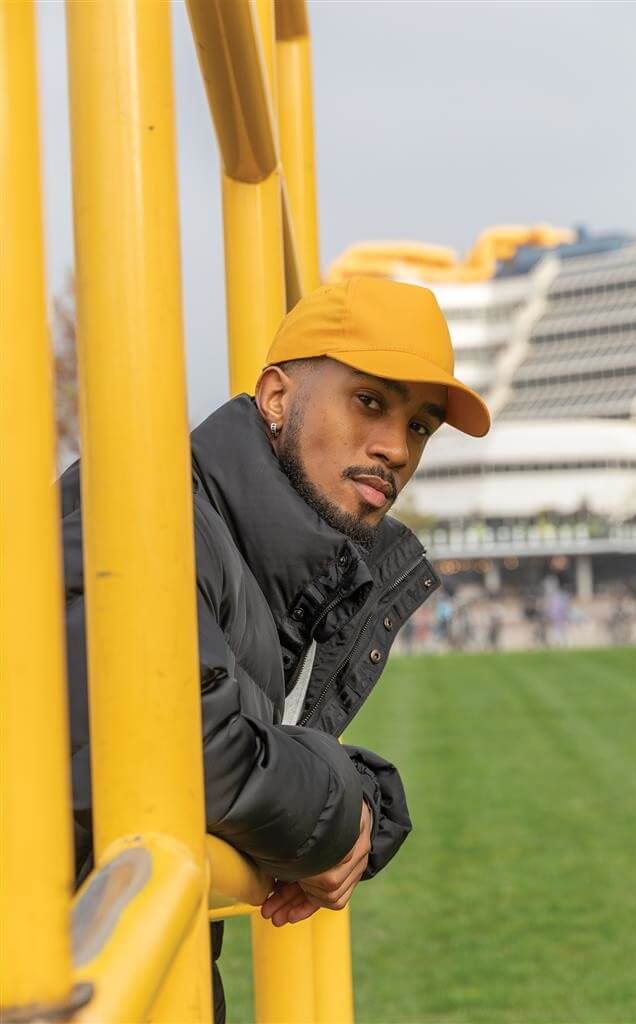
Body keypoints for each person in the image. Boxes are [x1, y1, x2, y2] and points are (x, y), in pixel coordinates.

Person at [60, 276, 490, 1021]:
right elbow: (183, 752)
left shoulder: (256, 559)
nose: (395, 448)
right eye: (369, 402)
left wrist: (356, 807)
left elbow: (251, 750)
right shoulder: (145, 510)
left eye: (421, 427)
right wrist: (349, 804)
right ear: (276, 397)